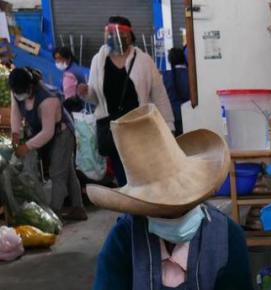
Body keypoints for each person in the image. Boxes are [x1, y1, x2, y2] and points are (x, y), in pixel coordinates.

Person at [85, 105, 271, 290]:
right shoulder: (123, 240)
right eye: (161, 209)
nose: (174, 214)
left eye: (183, 204)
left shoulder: (226, 236)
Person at [77, 16, 174, 186]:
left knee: (142, 171)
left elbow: (159, 94)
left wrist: (169, 125)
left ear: (130, 36)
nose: (115, 38)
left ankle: (141, 208)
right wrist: (85, 93)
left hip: (139, 126)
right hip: (112, 128)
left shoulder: (144, 61)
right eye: (111, 34)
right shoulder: (98, 61)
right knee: (123, 176)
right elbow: (95, 99)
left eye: (120, 34)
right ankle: (134, 211)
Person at [8, 67, 87, 221]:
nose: (18, 95)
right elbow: (15, 111)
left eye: (21, 92)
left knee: (58, 173)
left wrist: (27, 146)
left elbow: (47, 132)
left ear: (30, 86)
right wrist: (15, 133)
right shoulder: (17, 91)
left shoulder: (48, 98)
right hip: (44, 131)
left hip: (62, 133)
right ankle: (79, 208)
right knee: (67, 170)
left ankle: (54, 215)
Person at [162, 46, 190, 136]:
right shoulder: (192, 75)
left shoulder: (165, 76)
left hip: (171, 117)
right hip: (189, 115)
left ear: (170, 61)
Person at [52, 46, 87, 113]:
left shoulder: (70, 75)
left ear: (68, 58)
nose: (57, 61)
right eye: (56, 59)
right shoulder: (74, 67)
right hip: (80, 104)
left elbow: (69, 99)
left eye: (60, 58)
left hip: (76, 108)